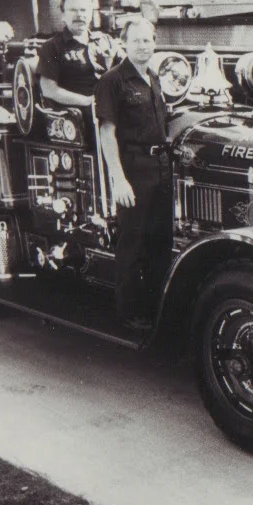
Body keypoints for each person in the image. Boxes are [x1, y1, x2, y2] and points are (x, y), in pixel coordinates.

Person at [95, 19, 172, 332]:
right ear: (123, 43)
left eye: (148, 41)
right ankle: (128, 315)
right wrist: (118, 178)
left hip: (160, 169)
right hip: (133, 170)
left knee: (160, 243)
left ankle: (155, 310)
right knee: (132, 244)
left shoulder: (154, 77)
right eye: (137, 41)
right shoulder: (112, 80)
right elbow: (106, 132)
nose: (144, 46)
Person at [37, 0, 113, 108]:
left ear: (90, 13)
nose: (79, 14)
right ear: (63, 15)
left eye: (83, 10)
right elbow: (48, 89)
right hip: (79, 112)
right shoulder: (52, 47)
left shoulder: (106, 41)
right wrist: (88, 101)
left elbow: (128, 67)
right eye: (73, 10)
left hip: (112, 105)